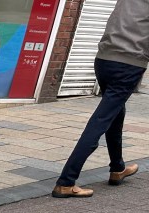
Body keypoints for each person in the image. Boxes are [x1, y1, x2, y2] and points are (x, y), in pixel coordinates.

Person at [51, 0, 147, 198]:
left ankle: (117, 168)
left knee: (115, 113)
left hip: (103, 60)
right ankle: (66, 182)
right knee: (100, 121)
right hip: (129, 64)